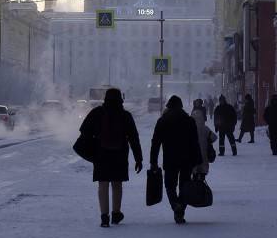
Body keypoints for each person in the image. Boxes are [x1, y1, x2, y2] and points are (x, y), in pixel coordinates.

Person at [79, 88, 143, 228]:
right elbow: (134, 139)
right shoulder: (125, 115)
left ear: (105, 98)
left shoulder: (97, 113)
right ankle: (116, 213)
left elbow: (84, 131)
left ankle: (104, 217)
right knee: (117, 184)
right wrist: (139, 159)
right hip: (119, 154)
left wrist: (93, 144)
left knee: (103, 184)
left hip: (101, 154)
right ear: (120, 99)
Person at [151, 96, 203, 224]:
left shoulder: (163, 120)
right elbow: (195, 142)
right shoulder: (189, 121)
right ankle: (180, 209)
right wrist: (198, 160)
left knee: (170, 185)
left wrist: (153, 161)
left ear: (168, 107)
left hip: (170, 158)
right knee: (185, 185)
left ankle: (175, 205)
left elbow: (155, 143)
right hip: (187, 159)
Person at [191, 106, 217, 180]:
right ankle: (201, 185)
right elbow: (214, 138)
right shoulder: (205, 128)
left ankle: (195, 184)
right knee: (202, 172)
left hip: (193, 155)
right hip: (204, 154)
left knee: (194, 170)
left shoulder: (189, 128)